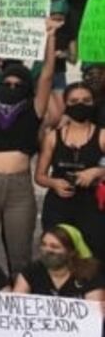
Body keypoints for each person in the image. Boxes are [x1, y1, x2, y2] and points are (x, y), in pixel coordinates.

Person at [0, 18, 61, 275]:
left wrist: (50, 37)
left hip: (19, 187)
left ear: (27, 88)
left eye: (18, 85)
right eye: (7, 84)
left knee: (20, 256)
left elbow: (47, 76)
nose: (12, 87)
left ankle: (16, 305)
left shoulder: (33, 110)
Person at [35, 82, 105, 263]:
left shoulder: (102, 135)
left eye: (85, 100)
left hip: (92, 204)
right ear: (66, 104)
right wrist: (54, 183)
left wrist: (97, 171)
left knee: (93, 255)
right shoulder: (53, 137)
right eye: (74, 101)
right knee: (57, 255)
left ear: (93, 103)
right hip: (58, 205)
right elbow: (40, 176)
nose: (80, 105)